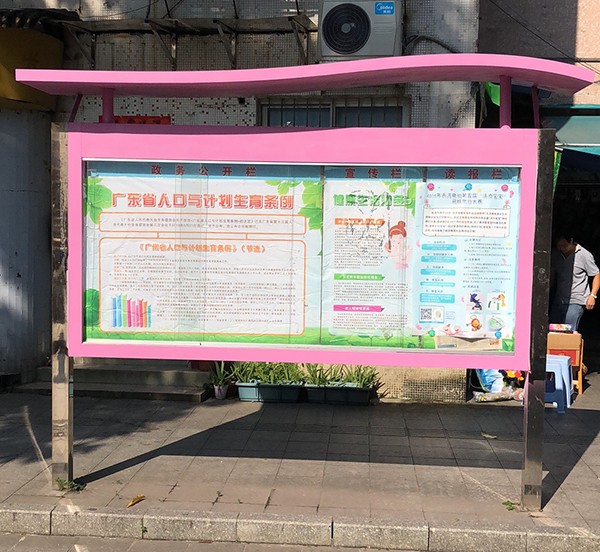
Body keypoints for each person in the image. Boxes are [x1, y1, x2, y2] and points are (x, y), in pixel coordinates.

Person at [550, 232, 600, 331]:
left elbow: (596, 274)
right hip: (558, 300)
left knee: (568, 331)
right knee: (553, 331)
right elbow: (552, 274)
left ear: (571, 241)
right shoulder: (556, 255)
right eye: (559, 246)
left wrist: (592, 296)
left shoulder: (584, 255)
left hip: (576, 301)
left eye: (564, 245)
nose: (562, 249)